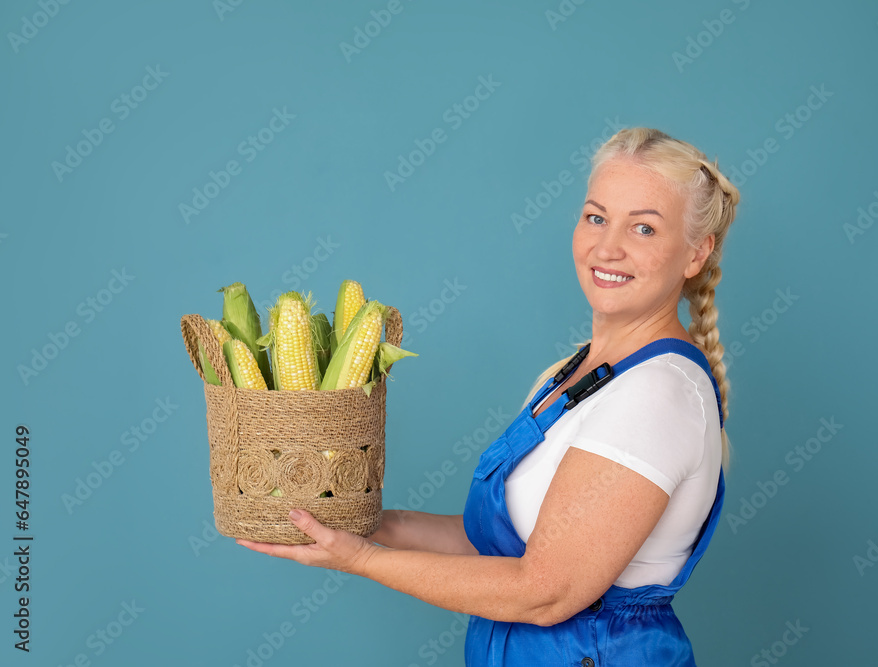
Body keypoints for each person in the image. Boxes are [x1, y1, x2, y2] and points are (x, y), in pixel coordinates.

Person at [237, 126, 741, 665]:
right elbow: (498, 547)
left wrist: (360, 559)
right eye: (596, 217)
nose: (607, 246)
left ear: (695, 253)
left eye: (643, 227)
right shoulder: (570, 374)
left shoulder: (658, 393)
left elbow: (545, 590)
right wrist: (363, 520)